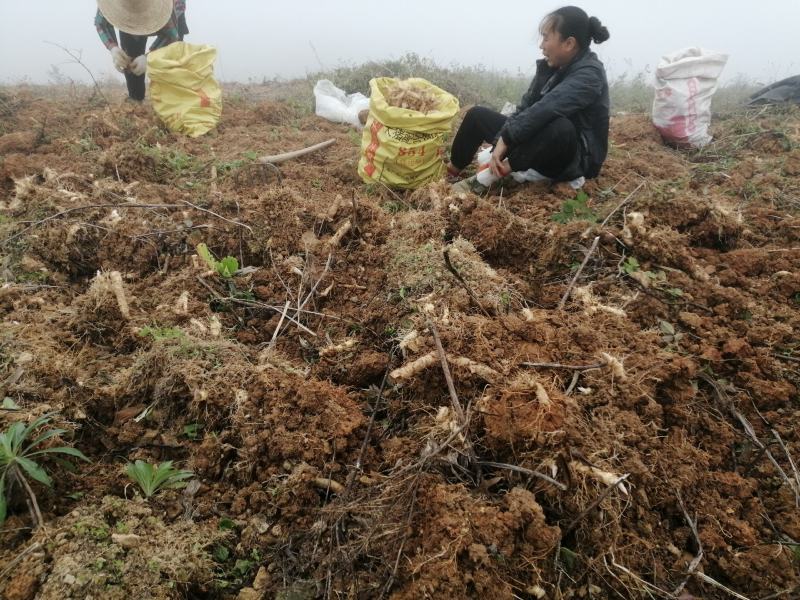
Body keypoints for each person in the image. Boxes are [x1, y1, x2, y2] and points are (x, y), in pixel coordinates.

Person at [448, 6, 610, 193]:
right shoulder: (553, 67)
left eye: (547, 38)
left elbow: (548, 108)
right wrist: (501, 139)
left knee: (561, 126)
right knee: (477, 116)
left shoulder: (590, 74)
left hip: (568, 157)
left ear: (569, 43)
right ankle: (452, 171)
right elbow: (526, 108)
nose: (542, 45)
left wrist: (507, 139)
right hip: (536, 140)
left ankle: (490, 177)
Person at [95, 0, 189, 102]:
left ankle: (172, 99)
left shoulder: (167, 11)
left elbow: (172, 37)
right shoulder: (111, 4)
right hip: (125, 11)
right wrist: (113, 47)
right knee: (130, 50)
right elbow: (100, 23)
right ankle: (135, 98)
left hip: (170, 10)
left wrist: (149, 57)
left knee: (173, 54)